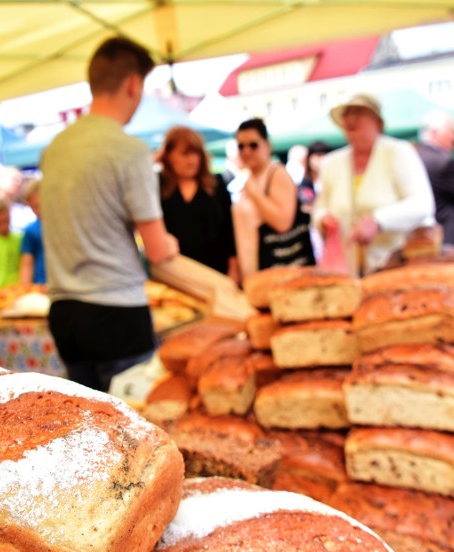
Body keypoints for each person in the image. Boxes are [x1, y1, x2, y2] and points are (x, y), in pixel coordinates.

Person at [39, 36, 179, 393]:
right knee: (136, 437)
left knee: (92, 433)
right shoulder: (129, 151)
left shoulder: (54, 149)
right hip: (117, 312)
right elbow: (159, 251)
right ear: (133, 83)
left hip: (65, 313)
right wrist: (171, 243)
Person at [314, 93, 434, 276]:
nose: (351, 118)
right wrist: (323, 219)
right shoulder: (331, 163)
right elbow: (320, 207)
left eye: (359, 112)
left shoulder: (398, 152)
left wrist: (378, 221)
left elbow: (423, 204)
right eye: (347, 114)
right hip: (347, 268)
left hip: (395, 264)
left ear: (377, 122)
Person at [231, 118, 315, 282]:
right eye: (241, 146)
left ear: (267, 145)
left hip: (281, 273)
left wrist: (254, 193)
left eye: (253, 145)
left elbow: (282, 222)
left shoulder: (277, 174)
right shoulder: (250, 178)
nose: (246, 151)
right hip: (256, 273)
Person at [158, 125, 238, 280]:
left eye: (196, 153)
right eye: (185, 154)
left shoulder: (217, 184)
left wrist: (234, 268)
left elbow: (230, 230)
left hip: (216, 271)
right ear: (169, 155)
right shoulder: (158, 187)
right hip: (174, 273)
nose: (192, 160)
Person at [416, 109, 454, 253]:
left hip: (425, 236)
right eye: (451, 132)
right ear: (435, 133)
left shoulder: (416, 156)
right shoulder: (442, 161)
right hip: (451, 239)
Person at [20, 178, 46, 285]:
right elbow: (27, 263)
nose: (37, 211)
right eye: (33, 207)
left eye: (38, 205)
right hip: (40, 284)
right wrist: (25, 288)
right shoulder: (31, 230)